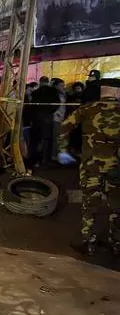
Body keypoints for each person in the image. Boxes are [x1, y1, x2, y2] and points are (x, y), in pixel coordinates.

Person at [58, 78, 120, 256]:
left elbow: (64, 128)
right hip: (117, 167)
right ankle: (116, 243)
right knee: (116, 205)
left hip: (91, 166)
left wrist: (64, 150)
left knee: (89, 203)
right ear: (116, 92)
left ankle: (88, 242)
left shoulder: (87, 109)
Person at [51, 78, 67, 160]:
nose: (63, 87)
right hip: (56, 118)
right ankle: (54, 155)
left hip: (62, 118)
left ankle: (58, 154)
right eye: (61, 85)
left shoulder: (63, 94)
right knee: (56, 137)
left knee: (60, 137)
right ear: (56, 86)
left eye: (64, 85)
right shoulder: (53, 95)